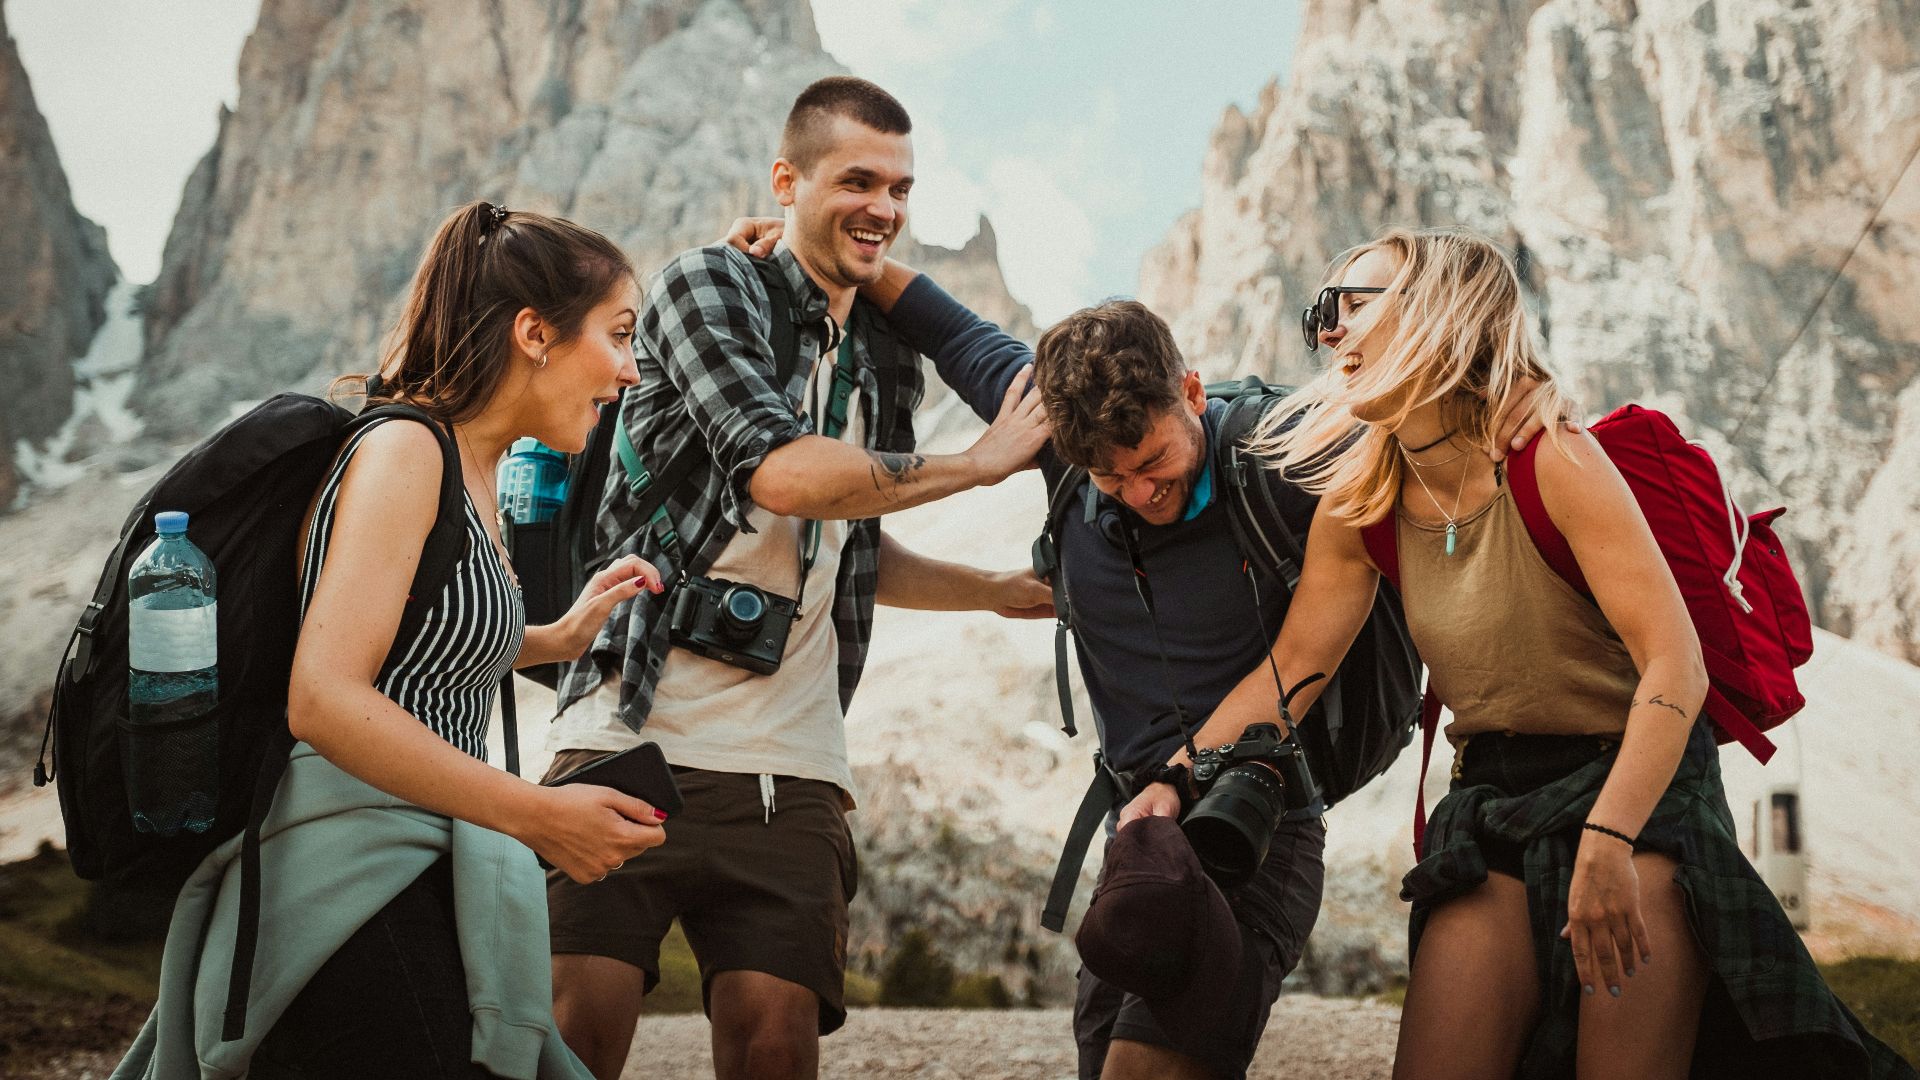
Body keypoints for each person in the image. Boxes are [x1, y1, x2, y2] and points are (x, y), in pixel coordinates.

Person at [717, 207, 1554, 1078]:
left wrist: (1521, 398)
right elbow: (949, 329)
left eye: (1153, 463)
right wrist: (820, 240)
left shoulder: (1283, 457)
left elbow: (1427, 436)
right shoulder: (1062, 443)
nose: (1139, 493)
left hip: (1254, 823)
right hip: (1143, 837)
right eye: (1107, 478)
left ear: (1191, 392)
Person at [1197, 225, 1915, 1079]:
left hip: (1637, 786)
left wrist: (1611, 838)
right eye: (1324, 310)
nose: (1329, 330)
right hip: (1494, 793)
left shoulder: (1554, 460)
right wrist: (1170, 780)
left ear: (1440, 312)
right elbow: (1290, 672)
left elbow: (1676, 665)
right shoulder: (1361, 506)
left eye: (1355, 304)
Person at [544, 77, 1052, 1080]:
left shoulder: (886, 355)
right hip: (629, 730)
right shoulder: (705, 287)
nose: (884, 207)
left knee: (776, 1048)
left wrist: (991, 590)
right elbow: (780, 474)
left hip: (795, 764)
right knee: (572, 1041)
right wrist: (977, 465)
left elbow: (847, 541)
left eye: (900, 188)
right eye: (857, 180)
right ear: (786, 181)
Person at [115, 201, 674, 1080]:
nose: (632, 370)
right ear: (535, 333)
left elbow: (415, 644)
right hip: (350, 874)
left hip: (421, 856)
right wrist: (538, 816)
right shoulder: (409, 450)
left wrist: (556, 637)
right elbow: (324, 697)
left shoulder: (475, 468)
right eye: (619, 334)